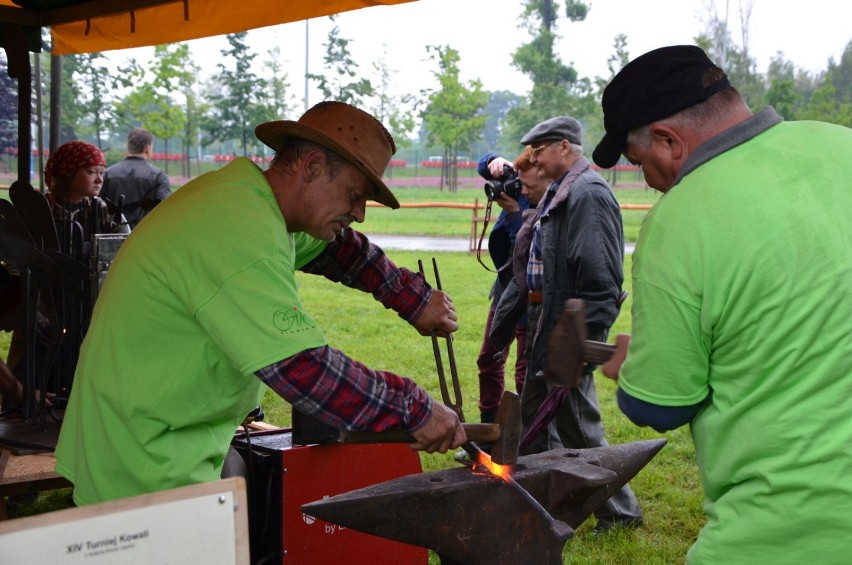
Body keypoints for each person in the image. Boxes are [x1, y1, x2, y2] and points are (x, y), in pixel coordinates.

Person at [54, 101, 467, 506]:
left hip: (159, 432)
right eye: (355, 195)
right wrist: (413, 407)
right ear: (313, 167)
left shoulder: (254, 201)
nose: (359, 213)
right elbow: (304, 370)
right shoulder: (238, 227)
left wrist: (411, 298)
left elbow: (341, 251)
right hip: (142, 459)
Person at [594, 45, 852, 564]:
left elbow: (659, 406)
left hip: (792, 529)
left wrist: (633, 368)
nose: (645, 178)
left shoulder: (678, 219)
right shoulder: (839, 143)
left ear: (668, 141)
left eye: (639, 161)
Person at [490, 116, 643, 532]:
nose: (534, 164)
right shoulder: (563, 189)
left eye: (539, 153)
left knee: (578, 427)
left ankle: (621, 514)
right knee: (538, 420)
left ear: (563, 147)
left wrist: (582, 340)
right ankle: (541, 507)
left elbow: (600, 276)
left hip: (568, 328)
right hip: (548, 319)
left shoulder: (588, 193)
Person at [472, 150, 531, 425]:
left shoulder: (548, 194)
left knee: (526, 371)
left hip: (532, 292)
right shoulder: (521, 180)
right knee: (489, 359)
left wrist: (515, 214)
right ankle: (489, 426)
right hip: (506, 287)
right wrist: (496, 162)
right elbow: (482, 165)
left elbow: (530, 246)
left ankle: (529, 435)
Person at [44, 141, 130, 237]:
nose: (99, 180)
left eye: (101, 173)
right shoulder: (41, 208)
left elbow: (126, 243)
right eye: (91, 172)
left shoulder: (105, 211)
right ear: (68, 174)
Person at [101, 128, 172, 229]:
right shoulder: (158, 176)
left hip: (113, 235)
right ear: (148, 148)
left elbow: (100, 206)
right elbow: (165, 209)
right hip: (144, 236)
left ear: (129, 147)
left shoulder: (108, 173)